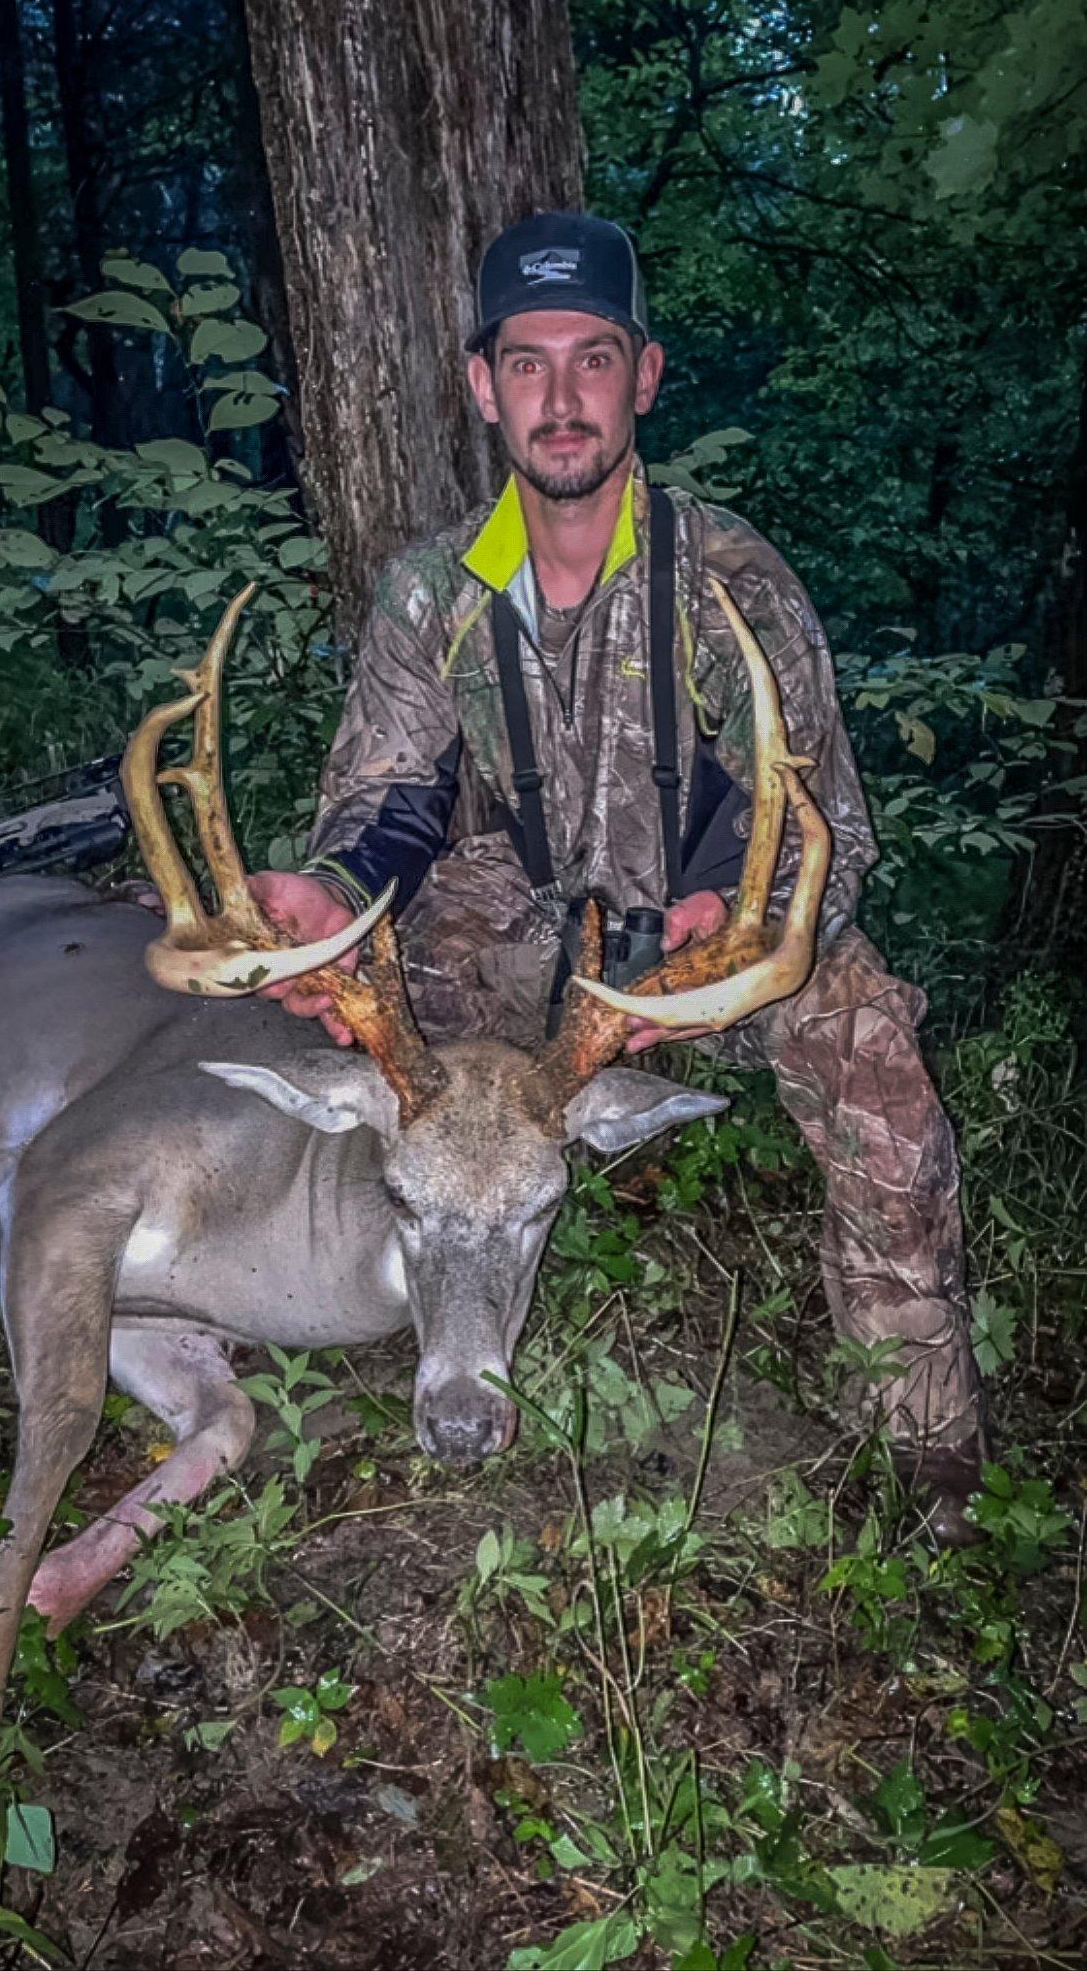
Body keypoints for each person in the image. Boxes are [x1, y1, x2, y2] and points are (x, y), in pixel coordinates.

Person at [252, 211, 985, 1542]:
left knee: (874, 1067)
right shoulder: (431, 593)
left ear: (641, 376)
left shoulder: (731, 580)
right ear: (483, 387)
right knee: (365, 1019)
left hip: (698, 943)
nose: (560, 397)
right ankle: (406, 1281)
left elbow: (815, 818)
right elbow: (387, 799)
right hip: (511, 921)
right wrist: (333, 895)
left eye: (592, 358)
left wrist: (724, 924)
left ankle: (925, 1445)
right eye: (526, 363)